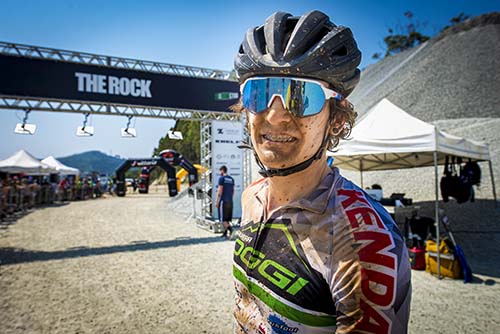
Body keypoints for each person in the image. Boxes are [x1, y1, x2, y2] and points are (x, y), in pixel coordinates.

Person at [231, 10, 411, 334]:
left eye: (301, 97)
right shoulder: (251, 197)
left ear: (337, 119)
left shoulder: (360, 243)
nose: (275, 115)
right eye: (259, 93)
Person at [215, 165, 235, 238]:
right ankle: (225, 233)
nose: (220, 173)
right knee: (227, 219)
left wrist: (217, 201)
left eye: (220, 171)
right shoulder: (231, 179)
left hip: (223, 201)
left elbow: (220, 190)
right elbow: (233, 191)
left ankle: (231, 230)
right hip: (230, 201)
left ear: (222, 171)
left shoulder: (222, 178)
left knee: (223, 219)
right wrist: (230, 198)